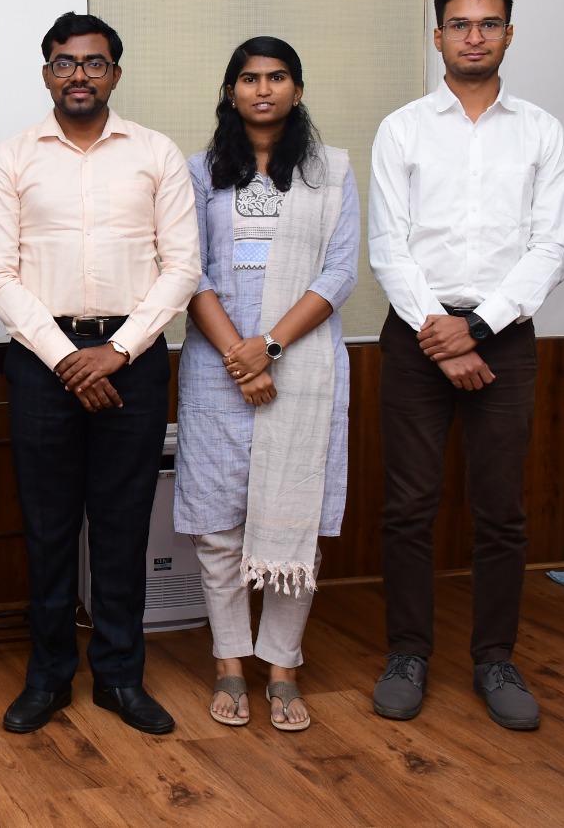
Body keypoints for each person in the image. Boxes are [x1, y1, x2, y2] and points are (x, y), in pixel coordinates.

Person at [0, 12, 199, 736]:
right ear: (47, 73)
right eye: (65, 63)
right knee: (47, 529)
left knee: (122, 526)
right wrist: (67, 358)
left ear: (115, 74)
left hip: (132, 359)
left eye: (94, 63)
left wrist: (119, 351)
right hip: (43, 361)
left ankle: (119, 678)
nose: (80, 75)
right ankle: (48, 677)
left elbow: (183, 267)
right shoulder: (12, 159)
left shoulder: (156, 154)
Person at [369, 0, 564, 731]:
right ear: (438, 36)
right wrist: (442, 334)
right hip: (416, 333)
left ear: (509, 34)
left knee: (501, 511)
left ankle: (494, 658)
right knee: (408, 507)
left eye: (489, 24)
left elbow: (551, 247)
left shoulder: (541, 131)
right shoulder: (403, 128)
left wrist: (478, 327)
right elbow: (389, 246)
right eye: (460, 24)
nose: (474, 36)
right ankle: (408, 653)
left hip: (504, 340)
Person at [173, 37, 358, 733]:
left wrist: (270, 347)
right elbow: (187, 269)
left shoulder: (331, 172)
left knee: (294, 518)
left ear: (297, 90)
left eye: (277, 77)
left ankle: (282, 666)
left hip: (301, 365)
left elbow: (340, 272)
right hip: (217, 368)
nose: (263, 89)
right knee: (220, 528)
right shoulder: (198, 173)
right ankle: (229, 661)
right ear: (231, 91)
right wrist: (239, 358)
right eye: (249, 78)